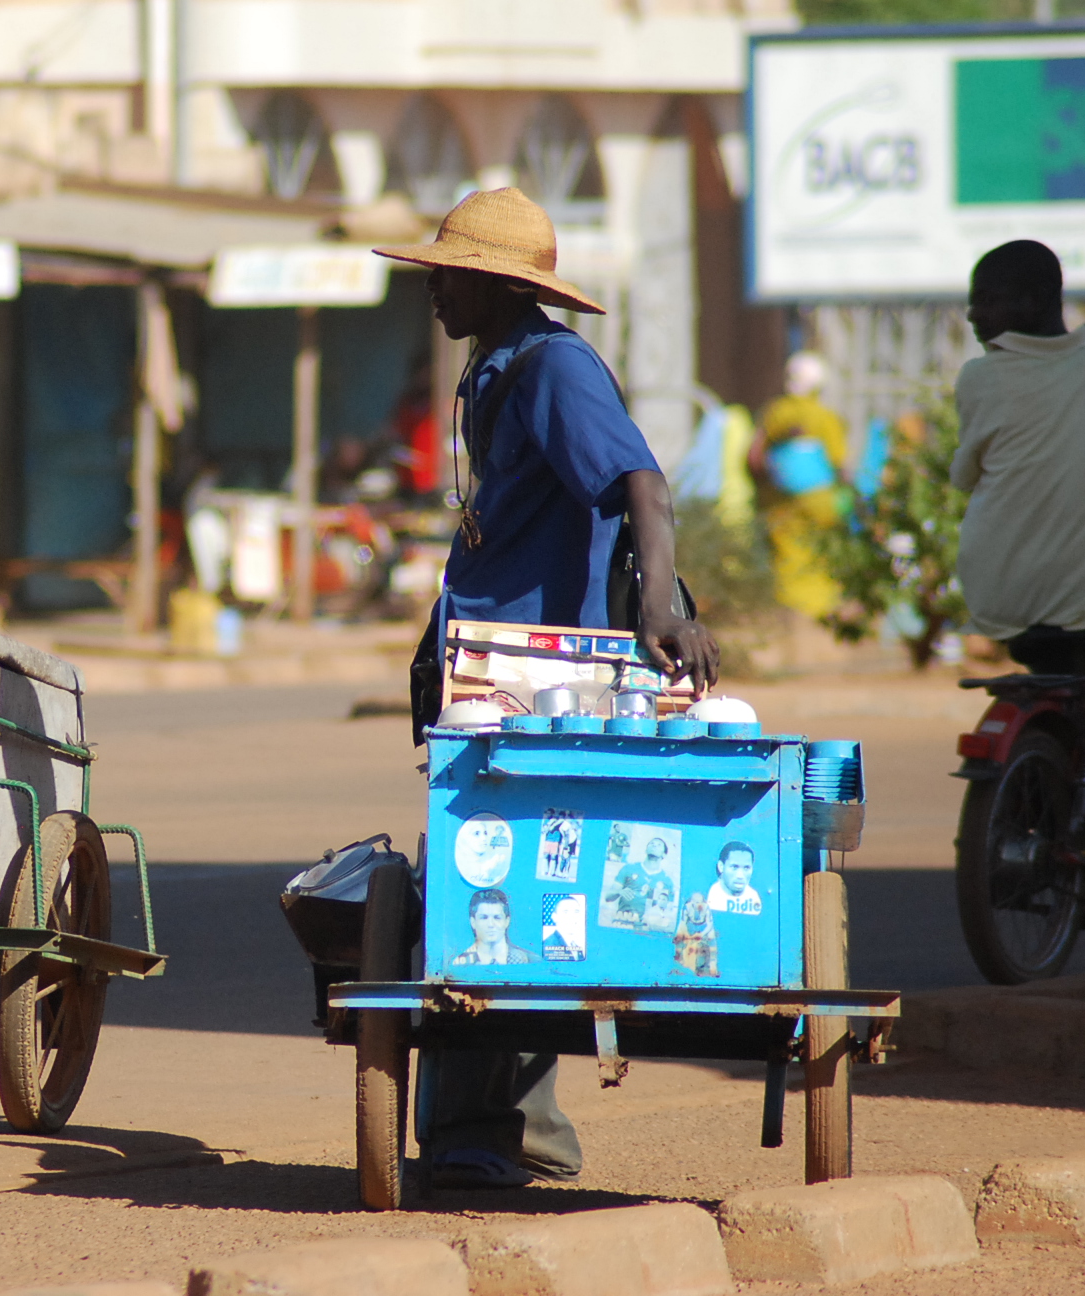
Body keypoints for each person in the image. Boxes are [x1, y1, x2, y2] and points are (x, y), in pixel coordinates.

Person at [375, 187, 720, 1191]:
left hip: (544, 683)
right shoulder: (493, 374)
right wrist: (428, 646)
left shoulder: (554, 368)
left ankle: (489, 1133)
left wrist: (658, 607)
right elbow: (501, 535)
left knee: (493, 880)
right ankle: (503, 1130)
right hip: (487, 669)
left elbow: (639, 487)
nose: (432, 287)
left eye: (444, 271)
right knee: (499, 885)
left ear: (493, 282)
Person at [951, 239, 1085, 675]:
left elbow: (963, 477)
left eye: (988, 301)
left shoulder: (981, 378)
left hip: (999, 596)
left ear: (1033, 301)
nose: (973, 315)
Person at [751, 352, 849, 619]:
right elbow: (839, 463)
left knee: (788, 555)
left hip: (781, 501)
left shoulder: (775, 412)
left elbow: (754, 457)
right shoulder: (826, 417)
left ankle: (793, 613)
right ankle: (820, 611)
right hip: (821, 499)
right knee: (820, 555)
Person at [451, 889, 533, 965]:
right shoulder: (461, 963)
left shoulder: (528, 961)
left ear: (507, 921)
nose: (490, 924)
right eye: (484, 917)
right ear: (473, 922)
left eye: (497, 917)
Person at [707, 841, 762, 916]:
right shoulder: (711, 895)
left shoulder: (753, 897)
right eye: (734, 867)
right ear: (721, 867)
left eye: (746, 868)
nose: (740, 876)